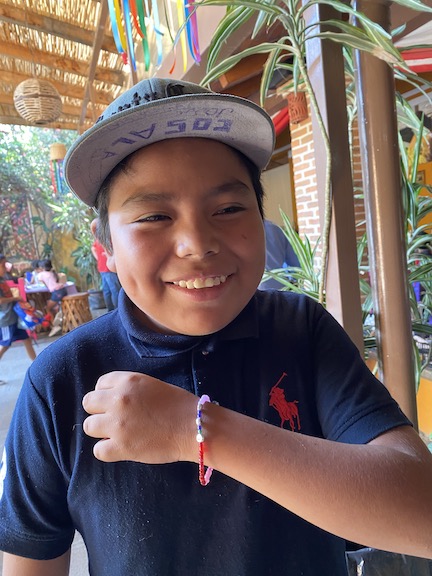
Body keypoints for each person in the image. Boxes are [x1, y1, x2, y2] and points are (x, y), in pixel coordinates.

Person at [1, 78, 431, 576]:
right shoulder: (61, 379)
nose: (197, 243)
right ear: (107, 249)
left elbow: (422, 513)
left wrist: (197, 430)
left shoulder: (301, 331)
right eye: (154, 216)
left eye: (228, 209)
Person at [0, 254, 36, 384]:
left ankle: (37, 366)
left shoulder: (3, 279)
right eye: (3, 265)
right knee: (4, 345)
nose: (5, 267)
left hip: (13, 317)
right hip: (5, 320)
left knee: (27, 340)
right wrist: (15, 298)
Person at [259, 218, 300, 290]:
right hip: (280, 287)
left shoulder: (241, 230)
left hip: (253, 290)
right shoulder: (276, 229)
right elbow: (295, 264)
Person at [91, 234, 121, 311]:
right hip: (109, 268)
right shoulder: (109, 239)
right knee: (115, 290)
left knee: (107, 291)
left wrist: (98, 258)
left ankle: (110, 310)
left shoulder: (99, 239)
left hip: (102, 268)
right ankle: (118, 310)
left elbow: (93, 248)